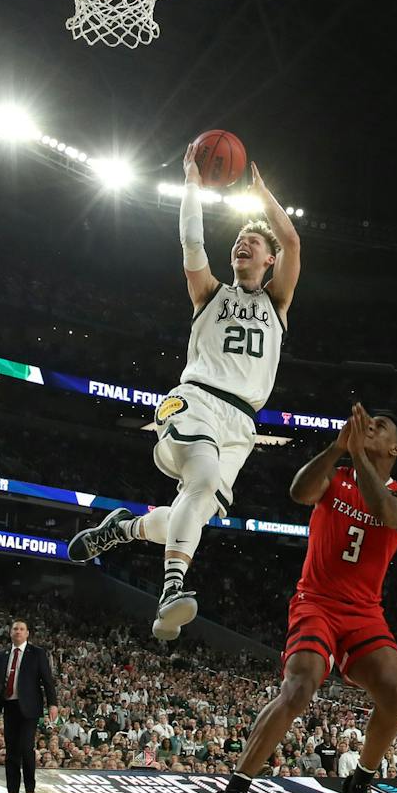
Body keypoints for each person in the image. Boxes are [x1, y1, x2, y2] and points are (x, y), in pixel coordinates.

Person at [67, 150, 301, 639]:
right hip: (194, 398)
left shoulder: (277, 304)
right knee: (199, 481)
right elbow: (192, 241)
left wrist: (261, 196)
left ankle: (123, 529)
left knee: (189, 511)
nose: (243, 242)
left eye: (253, 241)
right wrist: (192, 183)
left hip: (241, 425)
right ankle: (171, 588)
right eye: (239, 238)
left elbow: (294, 239)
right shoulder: (209, 293)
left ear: (269, 258)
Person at [205, 405, 397, 793]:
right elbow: (298, 492)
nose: (368, 428)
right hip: (316, 602)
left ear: (394, 447)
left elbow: (386, 514)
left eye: (378, 428)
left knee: (395, 693)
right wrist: (336, 448)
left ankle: (360, 782)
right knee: (300, 686)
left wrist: (357, 455)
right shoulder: (335, 477)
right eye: (366, 424)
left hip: (364, 612)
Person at [0, 619, 58, 793]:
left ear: (27, 633)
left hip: (29, 707)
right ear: (11, 633)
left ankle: (30, 791)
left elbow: (47, 679)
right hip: (10, 706)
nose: (18, 632)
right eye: (15, 629)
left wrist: (52, 703)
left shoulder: (37, 653)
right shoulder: (3, 653)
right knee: (11, 750)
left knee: (26, 748)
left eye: (21, 629)